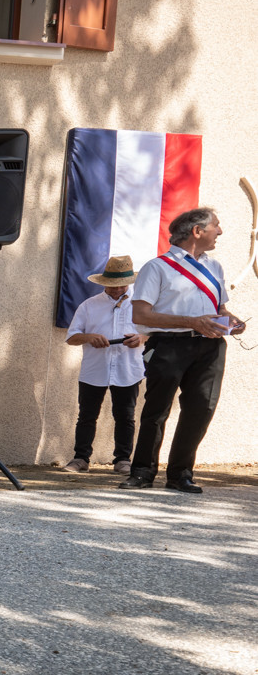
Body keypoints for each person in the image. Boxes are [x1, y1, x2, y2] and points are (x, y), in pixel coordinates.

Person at [120, 208, 248, 493]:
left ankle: (180, 474)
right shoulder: (157, 267)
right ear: (197, 231)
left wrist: (230, 320)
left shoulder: (214, 267)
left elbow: (219, 308)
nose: (221, 231)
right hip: (169, 345)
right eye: (216, 225)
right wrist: (192, 322)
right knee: (157, 410)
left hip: (211, 347)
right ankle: (142, 471)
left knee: (201, 409)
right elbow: (141, 315)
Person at [63, 255, 146, 474]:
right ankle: (81, 458)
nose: (117, 289)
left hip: (127, 368)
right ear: (104, 284)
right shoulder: (89, 306)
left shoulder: (141, 305)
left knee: (125, 416)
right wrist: (89, 337)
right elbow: (72, 337)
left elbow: (154, 332)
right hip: (95, 368)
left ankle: (123, 459)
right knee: (87, 416)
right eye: (112, 285)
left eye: (121, 284)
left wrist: (141, 338)